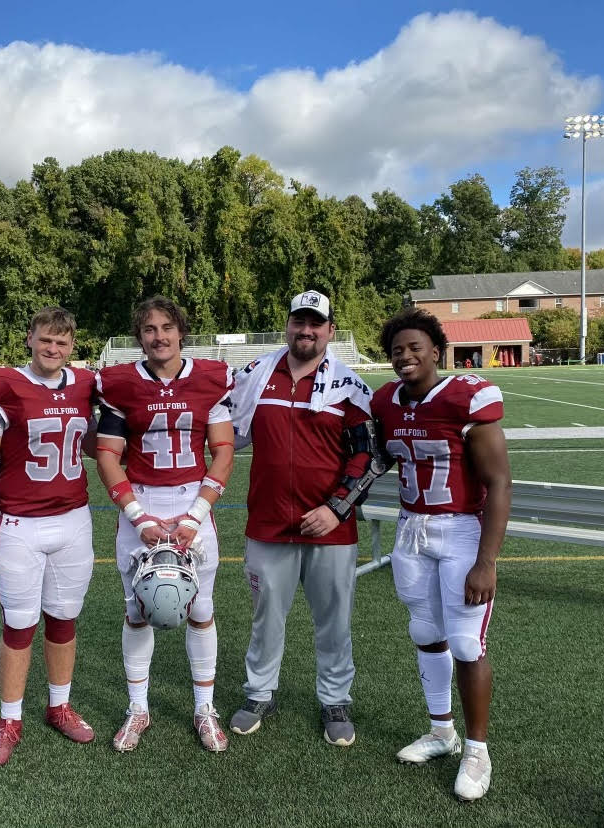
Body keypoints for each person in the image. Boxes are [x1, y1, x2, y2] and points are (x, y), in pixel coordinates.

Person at [228, 290, 382, 748]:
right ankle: (259, 693)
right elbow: (221, 427)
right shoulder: (256, 376)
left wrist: (336, 509)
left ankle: (335, 698)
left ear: (330, 330)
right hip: (269, 524)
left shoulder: (349, 387)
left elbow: (368, 456)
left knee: (334, 621)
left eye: (316, 323)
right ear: (288, 325)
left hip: (331, 531)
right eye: (299, 321)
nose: (306, 330)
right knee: (265, 617)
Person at [369, 307, 511, 802]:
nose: (405, 356)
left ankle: (477, 749)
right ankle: (441, 731)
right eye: (396, 350)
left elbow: (498, 480)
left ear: (435, 350)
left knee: (467, 643)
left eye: (414, 348)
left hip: (460, 530)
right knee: (426, 633)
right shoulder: (385, 401)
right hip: (410, 528)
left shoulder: (465, 396)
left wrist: (487, 560)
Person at [94, 296, 235, 753]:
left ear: (181, 332)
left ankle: (204, 708)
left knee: (200, 608)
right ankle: (138, 708)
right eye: (150, 329)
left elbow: (224, 451)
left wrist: (195, 515)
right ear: (140, 337)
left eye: (167, 327)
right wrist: (138, 517)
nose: (159, 336)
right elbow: (108, 455)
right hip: (142, 501)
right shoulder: (119, 385)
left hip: (193, 500)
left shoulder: (210, 380)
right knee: (137, 611)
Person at [0, 307, 98, 767]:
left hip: (74, 520)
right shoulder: (1, 387)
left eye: (62, 343)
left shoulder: (86, 385)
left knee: (64, 618)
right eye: (46, 339)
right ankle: (9, 719)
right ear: (29, 338)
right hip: (20, 523)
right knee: (20, 624)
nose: (53, 349)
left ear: (72, 347)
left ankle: (59, 706)